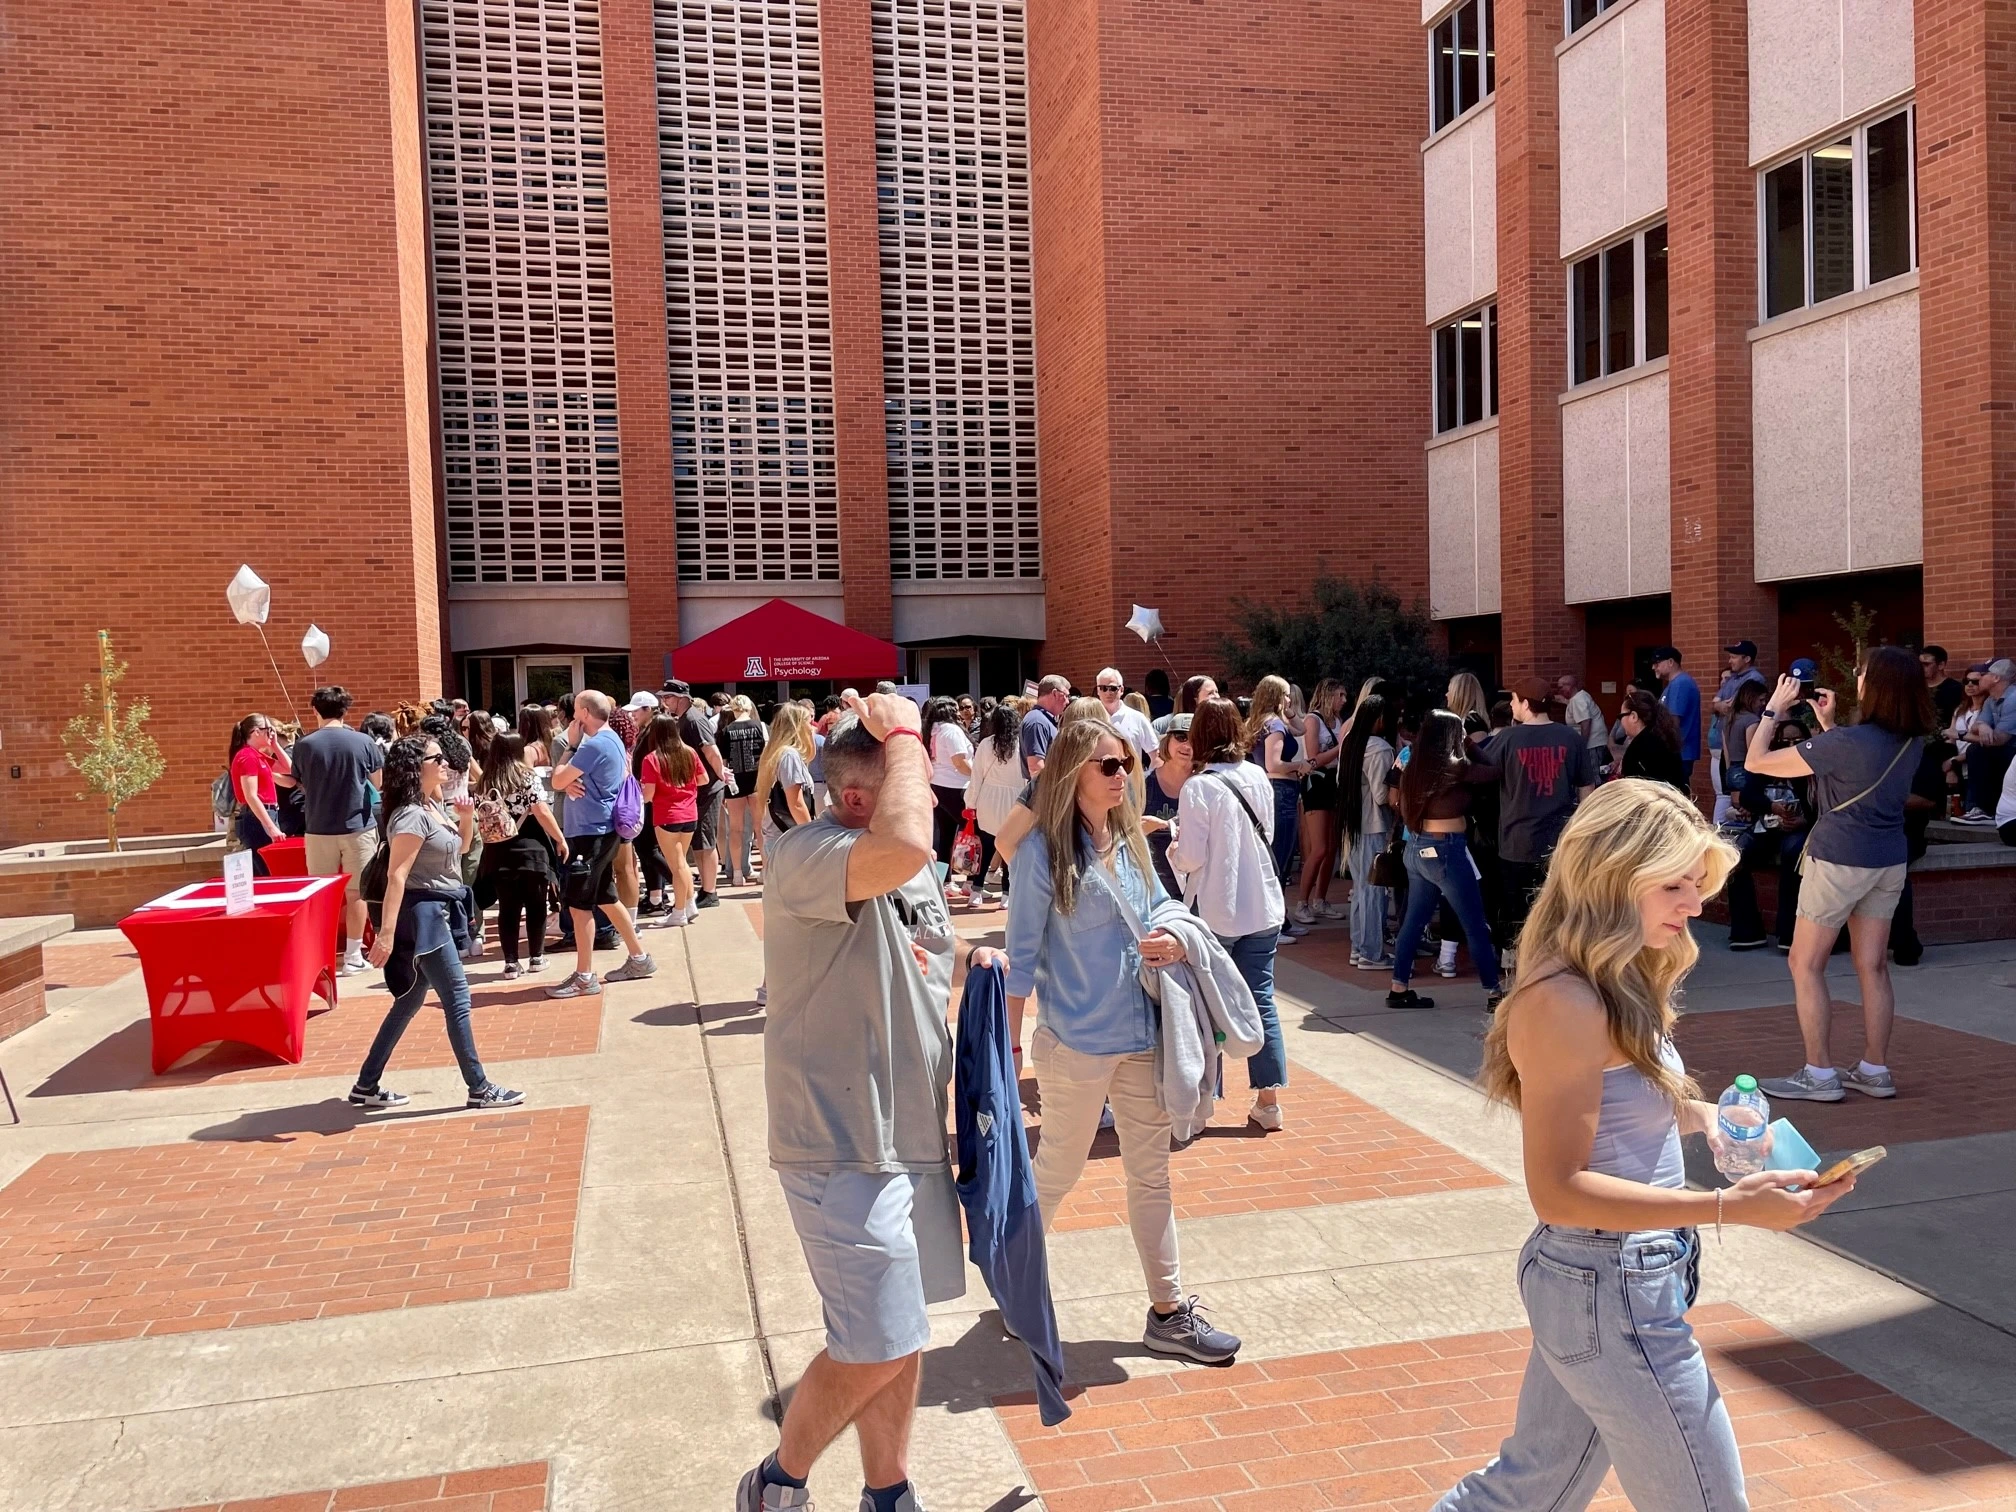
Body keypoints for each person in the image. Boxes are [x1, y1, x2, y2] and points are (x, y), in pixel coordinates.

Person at [1431, 780, 1856, 1512]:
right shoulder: (1564, 999)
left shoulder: (1614, 975)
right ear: (1610, 875)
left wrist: (1706, 1118)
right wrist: (1725, 1208)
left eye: (1697, 885)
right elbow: (1559, 1188)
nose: (1695, 905)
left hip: (1611, 1284)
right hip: (1606, 1286)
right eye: (1675, 885)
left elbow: (1626, 1106)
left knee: (1524, 1492)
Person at [738, 693, 1003, 1512]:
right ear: (862, 797)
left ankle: (888, 1492)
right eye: (916, 784)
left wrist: (977, 958)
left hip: (914, 1135)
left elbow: (920, 936)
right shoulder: (808, 854)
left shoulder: (900, 863)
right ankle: (776, 1483)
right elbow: (905, 844)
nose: (930, 802)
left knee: (901, 1333)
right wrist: (905, 736)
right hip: (839, 1142)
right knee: (876, 1340)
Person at [1006, 715, 1244, 1362]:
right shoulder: (1040, 856)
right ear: (1071, 773)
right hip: (1077, 1045)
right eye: (1108, 766)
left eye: (1126, 765)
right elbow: (1019, 959)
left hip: (1143, 1035)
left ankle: (1168, 1311)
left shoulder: (1131, 840)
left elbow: (1160, 907)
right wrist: (1009, 1054)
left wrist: (1175, 935)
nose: (1123, 777)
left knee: (1151, 1176)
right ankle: (1013, 1277)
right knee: (1056, 1171)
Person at [1745, 646, 1935, 1101]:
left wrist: (1774, 707)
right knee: (1872, 966)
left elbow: (1755, 761)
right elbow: (1859, 768)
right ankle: (1874, 1068)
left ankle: (1819, 1073)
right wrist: (1828, 726)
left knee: (1804, 963)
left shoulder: (1847, 743)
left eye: (1863, 672)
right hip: (1888, 859)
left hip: (1838, 858)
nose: (1857, 677)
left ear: (1877, 685)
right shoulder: (1912, 740)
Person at [351, 735, 522, 1111]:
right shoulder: (411, 815)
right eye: (437, 758)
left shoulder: (431, 805)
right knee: (458, 998)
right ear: (417, 767)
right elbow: (398, 875)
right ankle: (479, 1088)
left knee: (409, 1000)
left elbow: (457, 854)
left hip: (437, 909)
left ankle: (366, 1083)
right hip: (424, 916)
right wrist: (386, 935)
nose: (446, 763)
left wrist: (464, 820)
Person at [1168, 696, 1290, 1131]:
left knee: (1204, 1007)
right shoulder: (1257, 775)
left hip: (1217, 910)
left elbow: (1190, 857)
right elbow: (1269, 834)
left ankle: (1204, 1103)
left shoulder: (1198, 787)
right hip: (1264, 904)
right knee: (1260, 998)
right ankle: (1269, 1099)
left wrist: (1174, 847)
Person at [1386, 711, 1504, 1010]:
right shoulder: (1455, 767)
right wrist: (1472, 743)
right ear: (1452, 735)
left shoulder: (1413, 763)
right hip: (1446, 850)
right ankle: (1493, 993)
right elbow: (1495, 770)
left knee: (1413, 921)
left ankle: (1399, 988)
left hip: (1418, 849)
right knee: (1475, 924)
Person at [545, 690, 654, 997]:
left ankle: (584, 976)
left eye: (576, 712)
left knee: (580, 907)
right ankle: (639, 958)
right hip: (598, 831)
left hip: (590, 833)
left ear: (584, 714)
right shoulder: (611, 740)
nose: (570, 718)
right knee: (606, 896)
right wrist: (570, 780)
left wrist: (570, 750)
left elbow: (556, 780)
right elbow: (567, 781)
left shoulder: (592, 744)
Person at [1489, 677, 1598, 953]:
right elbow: (1587, 786)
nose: (1512, 704)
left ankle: (1515, 967)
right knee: (1555, 911)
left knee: (1516, 912)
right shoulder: (1570, 738)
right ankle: (1553, 964)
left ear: (1526, 704)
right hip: (1558, 840)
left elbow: (1477, 770)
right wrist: (1581, 830)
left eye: (1514, 699)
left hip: (1516, 839)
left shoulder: (1507, 738)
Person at [288, 686, 385, 975]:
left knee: (321, 895)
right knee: (357, 893)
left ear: (315, 710)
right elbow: (377, 783)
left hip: (318, 828)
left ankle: (322, 956)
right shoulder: (363, 741)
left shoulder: (305, 745)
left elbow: (299, 782)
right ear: (345, 711)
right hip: (358, 826)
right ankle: (354, 955)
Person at [473, 732, 566, 977]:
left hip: (497, 851)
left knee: (508, 908)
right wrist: (560, 838)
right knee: (537, 904)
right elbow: (541, 810)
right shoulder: (526, 777)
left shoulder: (484, 781)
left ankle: (511, 963)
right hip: (530, 849)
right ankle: (536, 957)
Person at [1723, 718, 1815, 950]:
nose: (1791, 745)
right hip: (1767, 826)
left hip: (1801, 828)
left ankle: (1790, 933)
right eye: (1785, 741)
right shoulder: (1768, 763)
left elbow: (1827, 805)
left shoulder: (1814, 766)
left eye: (1797, 740)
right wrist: (1771, 806)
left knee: (1792, 853)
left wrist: (1803, 820)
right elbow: (1746, 796)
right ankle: (1748, 932)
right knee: (1735, 856)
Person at [1337, 694, 1398, 970]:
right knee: (1375, 891)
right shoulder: (1381, 749)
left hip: (1352, 823)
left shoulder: (1350, 742)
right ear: (1379, 719)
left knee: (1361, 889)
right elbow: (1382, 795)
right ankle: (1372, 953)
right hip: (1374, 824)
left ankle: (1359, 947)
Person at [662, 679, 730, 906]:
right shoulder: (683, 719)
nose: (665, 701)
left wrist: (721, 776)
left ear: (681, 698)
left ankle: (710, 892)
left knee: (707, 841)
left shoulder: (694, 720)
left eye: (668, 697)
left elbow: (712, 752)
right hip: (699, 789)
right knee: (700, 842)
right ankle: (705, 888)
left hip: (708, 789)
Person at [1246, 677, 1307, 923]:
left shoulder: (1263, 722)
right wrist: (1299, 766)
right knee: (1279, 858)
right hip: (1281, 790)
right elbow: (1274, 764)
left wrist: (1289, 712)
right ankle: (1276, 922)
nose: (1290, 699)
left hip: (1273, 790)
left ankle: (1278, 918)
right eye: (1285, 695)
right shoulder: (1275, 726)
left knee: (1275, 856)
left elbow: (1301, 729)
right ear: (1275, 696)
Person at [639, 713, 703, 927]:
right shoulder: (689, 752)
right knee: (681, 862)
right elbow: (703, 779)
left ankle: (679, 912)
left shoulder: (652, 759)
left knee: (678, 866)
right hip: (690, 813)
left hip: (667, 815)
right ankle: (688, 905)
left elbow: (648, 795)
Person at [1293, 678, 1347, 924]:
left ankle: (1320, 899)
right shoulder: (1312, 720)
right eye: (1340, 695)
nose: (1344, 700)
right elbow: (1313, 757)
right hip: (1317, 782)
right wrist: (1341, 748)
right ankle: (1302, 902)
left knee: (1333, 847)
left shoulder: (1338, 721)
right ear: (1328, 696)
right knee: (1320, 847)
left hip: (1336, 782)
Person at [967, 703, 1023, 906]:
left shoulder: (985, 744)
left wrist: (970, 803)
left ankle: (976, 891)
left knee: (987, 847)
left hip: (988, 799)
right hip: (1015, 800)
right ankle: (1007, 895)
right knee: (1010, 847)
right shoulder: (1022, 745)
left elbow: (976, 777)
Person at [227, 713, 295, 875]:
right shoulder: (247, 756)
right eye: (268, 731)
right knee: (267, 870)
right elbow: (251, 795)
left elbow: (289, 769)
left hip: (266, 814)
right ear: (256, 732)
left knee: (270, 870)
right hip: (256, 817)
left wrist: (275, 746)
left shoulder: (257, 756)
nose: (272, 734)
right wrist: (271, 828)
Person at [1707, 639, 1768, 822]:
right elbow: (1715, 704)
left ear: (1747, 658)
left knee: (1738, 804)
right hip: (1728, 751)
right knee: (1726, 798)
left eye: (1734, 657)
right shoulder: (1732, 678)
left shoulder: (1754, 679)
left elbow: (1728, 706)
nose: (1730, 661)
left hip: (1740, 756)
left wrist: (1720, 705)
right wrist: (1719, 705)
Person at [920, 695, 974, 894]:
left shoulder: (931, 730)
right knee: (974, 833)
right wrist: (978, 774)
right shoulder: (951, 730)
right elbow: (960, 762)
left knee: (945, 836)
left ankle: (944, 881)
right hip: (956, 786)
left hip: (938, 786)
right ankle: (971, 881)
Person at [1955, 657, 2016, 825]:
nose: (1979, 678)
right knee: (1978, 750)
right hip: (2004, 752)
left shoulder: (2013, 699)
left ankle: (1983, 809)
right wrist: (1983, 726)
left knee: (1978, 751)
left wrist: (1959, 735)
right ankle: (1980, 809)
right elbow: (1976, 726)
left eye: (1983, 674)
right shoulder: (1990, 700)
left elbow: (1998, 740)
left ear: (1996, 678)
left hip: (2012, 752)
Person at [1138, 714, 1193, 898]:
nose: (1187, 745)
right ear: (1167, 740)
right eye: (1181, 737)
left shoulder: (1205, 785)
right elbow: (1123, 830)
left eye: (1195, 739)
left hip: (1194, 882)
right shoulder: (1144, 785)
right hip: (1153, 882)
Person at [719, 694, 769, 885]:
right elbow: (766, 757)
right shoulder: (761, 727)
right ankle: (765, 869)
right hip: (757, 782)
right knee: (760, 828)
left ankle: (738, 873)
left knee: (735, 829)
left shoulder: (726, 731)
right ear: (749, 708)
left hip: (735, 783)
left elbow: (724, 763)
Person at [1615, 687, 1687, 794]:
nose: (1621, 722)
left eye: (1621, 716)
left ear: (1633, 716)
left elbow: (1633, 794)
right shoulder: (1664, 737)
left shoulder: (1637, 749)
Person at [1651, 646, 1703, 788]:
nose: (1653, 667)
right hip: (1677, 751)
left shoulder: (1681, 683)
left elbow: (1673, 721)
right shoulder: (1674, 684)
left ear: (1670, 662)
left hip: (1679, 753)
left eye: (1657, 663)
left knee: (1675, 795)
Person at [1094, 667, 1157, 763]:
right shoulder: (1092, 719)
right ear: (1098, 690)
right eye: (1103, 688)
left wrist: (1145, 776)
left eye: (1113, 688)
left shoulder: (1138, 718)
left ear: (1121, 690)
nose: (1108, 692)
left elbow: (1156, 755)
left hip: (1130, 777)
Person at [1722, 679, 1768, 804]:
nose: (1763, 704)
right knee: (1752, 810)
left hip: (1731, 771)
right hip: (1745, 771)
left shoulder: (1729, 719)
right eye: (1761, 700)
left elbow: (1726, 750)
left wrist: (1729, 771)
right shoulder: (1751, 720)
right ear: (1751, 698)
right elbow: (1752, 752)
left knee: (1740, 813)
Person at [1019, 674, 1070, 777]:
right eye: (1066, 695)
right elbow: (1035, 767)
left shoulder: (1043, 720)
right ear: (1055, 694)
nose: (1067, 701)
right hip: (1044, 791)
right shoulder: (1037, 721)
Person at [1555, 672, 1604, 757]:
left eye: (1560, 687)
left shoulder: (1578, 700)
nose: (1559, 691)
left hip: (1592, 745)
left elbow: (1585, 722)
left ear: (1568, 686)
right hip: (1596, 742)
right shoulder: (1580, 696)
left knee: (1591, 769)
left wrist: (1582, 745)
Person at [1920, 644, 1965, 728]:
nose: (1921, 668)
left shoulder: (1955, 689)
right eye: (1920, 664)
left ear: (1941, 665)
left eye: (1926, 664)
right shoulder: (1916, 687)